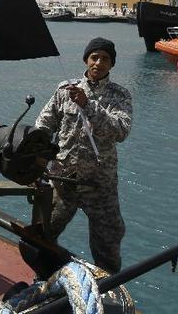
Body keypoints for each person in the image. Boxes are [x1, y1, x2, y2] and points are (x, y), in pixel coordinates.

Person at [35, 37, 132, 273]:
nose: (98, 63)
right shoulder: (64, 90)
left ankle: (107, 291)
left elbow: (120, 131)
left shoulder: (120, 96)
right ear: (86, 60)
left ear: (111, 64)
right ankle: (43, 278)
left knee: (109, 242)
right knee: (42, 234)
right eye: (94, 57)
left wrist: (89, 105)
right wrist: (37, 153)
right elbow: (44, 124)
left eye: (105, 59)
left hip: (100, 185)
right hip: (63, 181)